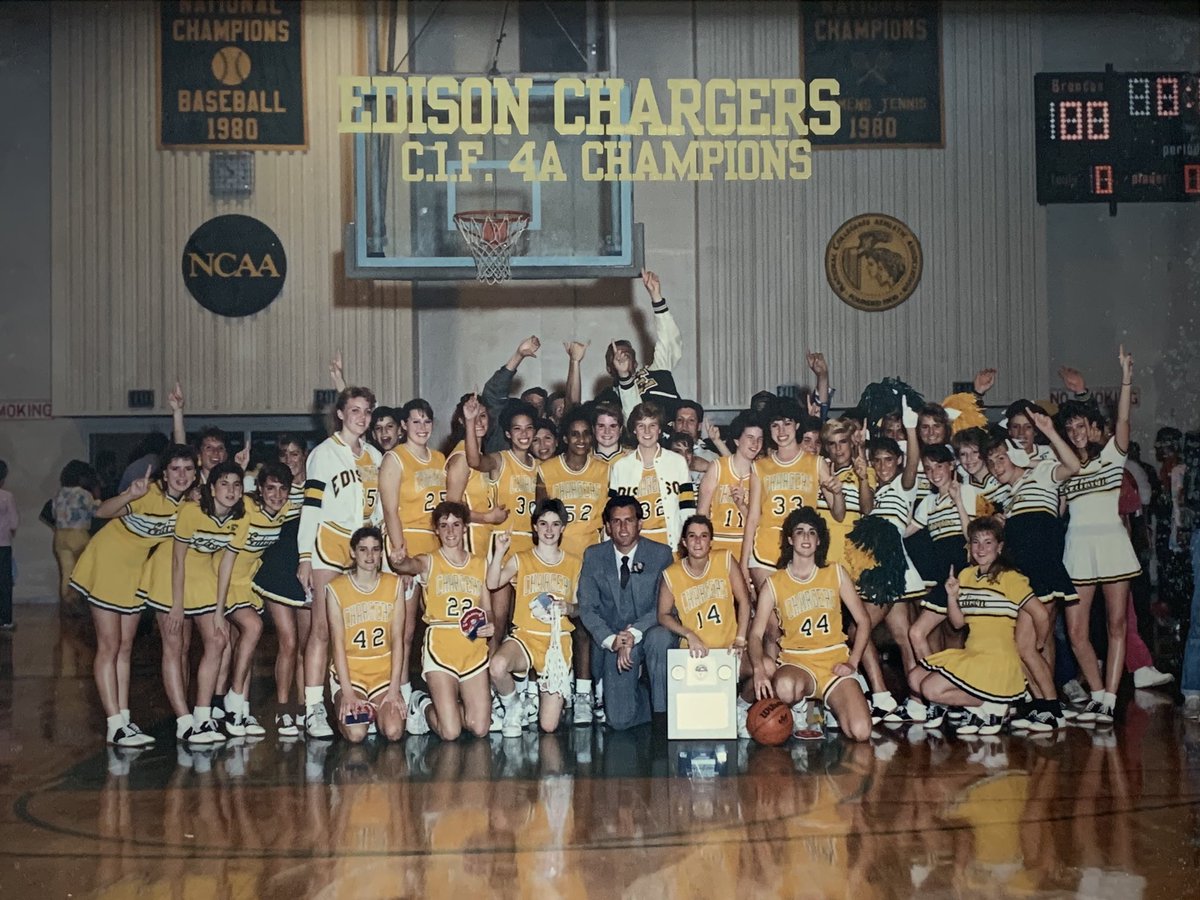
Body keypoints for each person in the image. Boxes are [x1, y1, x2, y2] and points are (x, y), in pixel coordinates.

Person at [71, 444, 198, 745]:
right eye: (175, 469)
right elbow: (101, 512)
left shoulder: (188, 506)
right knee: (109, 645)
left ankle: (124, 720)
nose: (181, 475)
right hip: (107, 563)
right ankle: (114, 724)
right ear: (164, 474)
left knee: (126, 646)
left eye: (188, 469)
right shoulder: (147, 493)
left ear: (195, 475)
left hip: (135, 572)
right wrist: (129, 494)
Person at [1057, 347, 1140, 725]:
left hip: (1112, 546)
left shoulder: (1112, 456)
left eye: (1081, 427)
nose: (1076, 433)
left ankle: (1109, 698)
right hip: (1078, 549)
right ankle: (1096, 693)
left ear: (1092, 428)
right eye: (1070, 428)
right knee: (1076, 631)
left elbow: (1122, 418)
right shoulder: (1062, 468)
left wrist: (1125, 378)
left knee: (1116, 625)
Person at [297, 386, 384, 739]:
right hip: (330, 545)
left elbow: (379, 509)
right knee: (321, 628)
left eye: (367, 411)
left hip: (364, 549)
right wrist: (305, 556)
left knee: (352, 628)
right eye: (355, 410)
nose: (361, 417)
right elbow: (311, 508)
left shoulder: (375, 456)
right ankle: (313, 708)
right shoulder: (323, 454)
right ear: (341, 414)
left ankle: (352, 699)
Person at [983, 413, 1079, 730]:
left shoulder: (1042, 472)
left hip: (1043, 574)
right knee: (1022, 646)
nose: (996, 466)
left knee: (1026, 646)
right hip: (1022, 578)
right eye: (991, 462)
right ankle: (1042, 705)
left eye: (1001, 458)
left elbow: (1073, 466)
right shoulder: (1007, 498)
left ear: (1014, 455)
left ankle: (1050, 707)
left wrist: (1050, 431)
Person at [747, 507, 873, 742]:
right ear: (790, 539)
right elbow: (755, 635)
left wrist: (853, 662)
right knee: (785, 687)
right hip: (797, 663)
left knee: (861, 731)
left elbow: (863, 620)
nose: (806, 536)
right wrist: (758, 669)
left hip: (834, 662)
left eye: (812, 532)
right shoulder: (774, 583)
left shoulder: (835, 572)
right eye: (800, 531)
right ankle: (803, 708)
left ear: (819, 541)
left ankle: (832, 706)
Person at [144, 460, 246, 745]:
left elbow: (226, 566)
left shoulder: (241, 519)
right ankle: (184, 722)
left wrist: (219, 611)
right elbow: (177, 559)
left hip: (201, 573)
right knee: (174, 645)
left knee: (218, 639)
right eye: (224, 484)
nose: (230, 490)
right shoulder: (192, 511)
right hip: (169, 573)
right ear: (211, 489)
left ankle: (202, 714)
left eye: (236, 485)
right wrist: (176, 606)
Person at [910, 517, 1036, 735]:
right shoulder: (967, 575)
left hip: (997, 658)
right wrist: (951, 597)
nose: (981, 548)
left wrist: (1036, 645)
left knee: (930, 690)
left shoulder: (1011, 577)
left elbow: (1040, 614)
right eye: (976, 542)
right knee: (915, 679)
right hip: (973, 654)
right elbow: (958, 623)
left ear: (1000, 547)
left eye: (988, 542)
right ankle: (985, 706)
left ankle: (995, 703)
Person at [393, 502, 495, 741]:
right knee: (450, 732)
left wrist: (490, 624)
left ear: (465, 528)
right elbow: (409, 565)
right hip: (441, 647)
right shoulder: (429, 561)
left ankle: (452, 710)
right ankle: (423, 704)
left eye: (456, 525)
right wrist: (398, 561)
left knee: (480, 728)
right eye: (444, 525)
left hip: (472, 648)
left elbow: (488, 609)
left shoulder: (480, 563)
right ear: (436, 530)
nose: (450, 531)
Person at [576, 496, 675, 730]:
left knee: (661, 639)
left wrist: (634, 633)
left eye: (629, 520)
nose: (623, 528)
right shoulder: (594, 555)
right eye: (616, 521)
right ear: (607, 527)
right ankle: (644, 694)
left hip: (649, 632)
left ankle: (663, 714)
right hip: (615, 638)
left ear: (640, 523)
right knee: (619, 720)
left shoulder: (661, 554)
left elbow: (665, 605)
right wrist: (612, 640)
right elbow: (587, 607)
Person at [536, 409, 610, 724]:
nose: (581, 440)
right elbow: (540, 517)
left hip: (590, 560)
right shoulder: (548, 469)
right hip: (556, 559)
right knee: (546, 623)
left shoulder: (604, 470)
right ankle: (542, 689)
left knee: (583, 626)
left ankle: (583, 693)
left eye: (586, 434)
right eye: (575, 434)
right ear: (565, 437)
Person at [213, 461, 294, 737]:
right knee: (253, 627)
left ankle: (242, 710)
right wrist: (218, 609)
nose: (277, 495)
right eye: (270, 488)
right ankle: (234, 699)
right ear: (259, 489)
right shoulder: (246, 508)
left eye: (282, 489)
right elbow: (227, 559)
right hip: (224, 578)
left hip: (248, 582)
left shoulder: (285, 509)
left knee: (244, 645)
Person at [487, 500, 581, 737]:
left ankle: (558, 685)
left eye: (555, 524)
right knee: (497, 666)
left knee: (548, 726)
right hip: (526, 638)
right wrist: (499, 552)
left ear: (563, 528)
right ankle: (513, 706)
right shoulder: (522, 558)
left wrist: (569, 607)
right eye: (543, 523)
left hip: (556, 643)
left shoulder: (574, 563)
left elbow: (582, 607)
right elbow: (492, 583)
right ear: (535, 527)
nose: (549, 530)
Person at [657, 515, 753, 733]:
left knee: (764, 668)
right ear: (684, 541)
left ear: (711, 541)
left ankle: (740, 707)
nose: (698, 541)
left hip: (729, 649)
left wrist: (740, 638)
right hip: (695, 653)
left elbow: (745, 601)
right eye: (692, 536)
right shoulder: (672, 574)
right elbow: (663, 615)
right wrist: (688, 634)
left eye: (703, 536)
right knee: (698, 724)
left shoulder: (725, 560)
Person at [741, 398, 843, 595]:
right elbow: (752, 518)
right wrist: (744, 563)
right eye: (775, 425)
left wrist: (838, 494)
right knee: (772, 614)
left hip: (802, 549)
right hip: (765, 550)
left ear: (797, 425)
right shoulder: (760, 467)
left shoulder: (816, 463)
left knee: (797, 609)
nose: (781, 431)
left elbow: (839, 514)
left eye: (787, 423)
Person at [325, 527, 409, 743]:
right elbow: (337, 644)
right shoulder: (336, 588)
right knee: (356, 734)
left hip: (383, 675)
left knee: (393, 731)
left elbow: (398, 640)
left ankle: (379, 711)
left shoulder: (394, 584)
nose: (370, 556)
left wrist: (394, 689)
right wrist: (347, 693)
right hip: (352, 675)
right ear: (353, 552)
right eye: (363, 549)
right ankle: (352, 711)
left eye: (375, 549)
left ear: (381, 553)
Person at [251, 434, 311, 736]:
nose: (290, 459)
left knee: (306, 645)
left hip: (305, 570)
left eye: (295, 453)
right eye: (284, 454)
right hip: (277, 571)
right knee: (287, 642)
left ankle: (304, 708)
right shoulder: (275, 489)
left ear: (305, 456)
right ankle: (283, 708)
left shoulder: (315, 486)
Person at [608, 401, 696, 549]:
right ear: (634, 430)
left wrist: (687, 546)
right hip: (633, 547)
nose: (647, 431)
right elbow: (612, 514)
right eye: (641, 426)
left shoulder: (677, 462)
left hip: (670, 545)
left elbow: (687, 510)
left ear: (660, 429)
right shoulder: (620, 467)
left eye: (652, 425)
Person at [597, 270, 683, 418]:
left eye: (626, 356)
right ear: (609, 368)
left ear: (636, 363)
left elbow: (669, 342)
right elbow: (634, 418)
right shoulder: (608, 398)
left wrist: (656, 297)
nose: (621, 358)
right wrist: (624, 376)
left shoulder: (656, 372)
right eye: (615, 358)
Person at [380, 398, 448, 564]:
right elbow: (389, 511)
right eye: (416, 422)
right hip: (406, 538)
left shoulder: (440, 458)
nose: (422, 428)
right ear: (404, 425)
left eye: (427, 422)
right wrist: (400, 550)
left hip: (435, 542)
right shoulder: (394, 458)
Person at [445, 394, 508, 556]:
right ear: (462, 420)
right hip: (467, 538)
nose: (479, 422)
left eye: (483, 416)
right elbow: (451, 506)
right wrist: (487, 518)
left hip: (483, 537)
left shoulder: (481, 457)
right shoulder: (461, 457)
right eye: (473, 417)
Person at [698, 410, 762, 562]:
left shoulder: (762, 472)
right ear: (737, 440)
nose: (755, 444)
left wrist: (743, 506)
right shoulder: (718, 467)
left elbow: (761, 522)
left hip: (748, 547)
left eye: (759, 439)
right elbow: (702, 514)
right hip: (717, 546)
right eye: (750, 438)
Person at [817, 418, 874, 566]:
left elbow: (867, 509)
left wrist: (863, 478)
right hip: (820, 550)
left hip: (848, 552)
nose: (838, 448)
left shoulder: (865, 471)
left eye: (843, 442)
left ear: (851, 443)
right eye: (832, 443)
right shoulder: (819, 470)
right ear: (826, 447)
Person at [51, 460, 100, 606]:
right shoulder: (83, 494)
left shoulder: (59, 493)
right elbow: (96, 511)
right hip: (78, 534)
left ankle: (68, 603)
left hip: (60, 535)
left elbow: (53, 513)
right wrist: (98, 499)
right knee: (82, 572)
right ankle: (82, 604)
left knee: (66, 573)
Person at [0, 461, 15, 632]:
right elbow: (13, 522)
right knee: (4, 582)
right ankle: (5, 619)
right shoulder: (6, 496)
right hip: (3, 544)